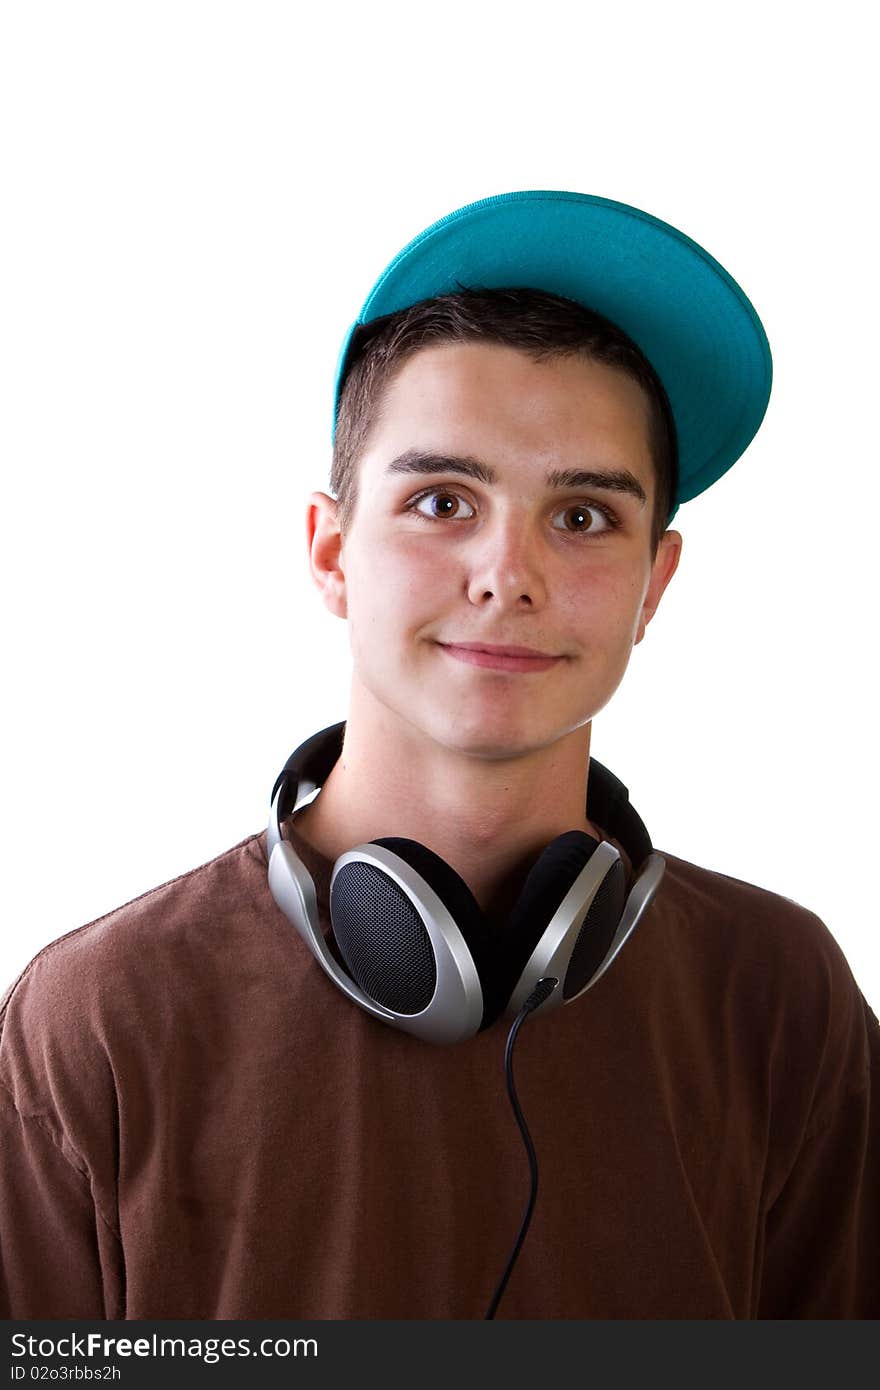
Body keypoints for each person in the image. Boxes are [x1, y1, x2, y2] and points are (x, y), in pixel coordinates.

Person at [1, 191, 877, 1321]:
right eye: (441, 499)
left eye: (582, 517)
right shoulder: (100, 1018)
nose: (505, 573)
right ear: (330, 554)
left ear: (655, 584)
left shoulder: (780, 997)